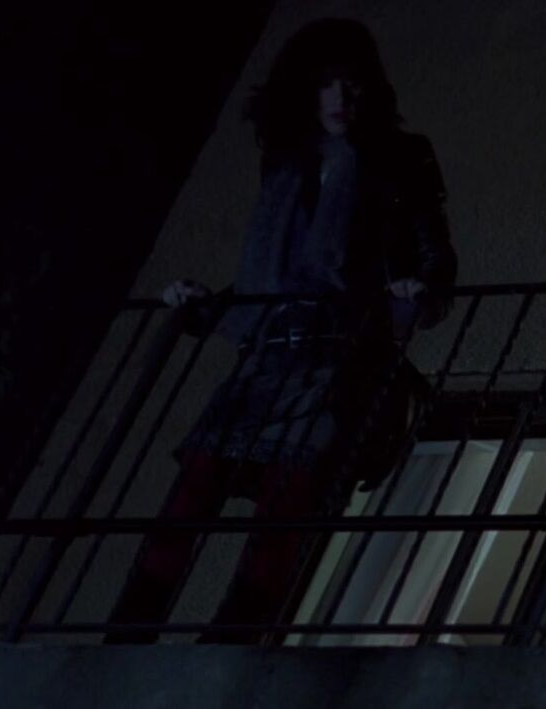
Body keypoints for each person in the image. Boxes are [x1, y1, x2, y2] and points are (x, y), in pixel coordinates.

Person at [105, 18, 456, 644]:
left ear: (370, 88)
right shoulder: (287, 164)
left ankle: (231, 644)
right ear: (305, 90)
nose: (341, 98)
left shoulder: (399, 157)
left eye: (352, 83)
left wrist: (414, 292)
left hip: (336, 356)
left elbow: (435, 259)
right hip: (266, 355)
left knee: (286, 503)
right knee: (193, 488)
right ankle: (126, 638)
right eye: (326, 84)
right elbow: (272, 275)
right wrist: (203, 305)